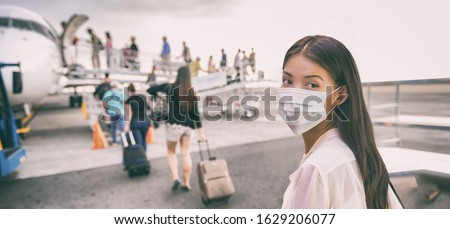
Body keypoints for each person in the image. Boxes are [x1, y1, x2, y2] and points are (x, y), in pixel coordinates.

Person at [278, 35, 403, 209]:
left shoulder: (317, 170)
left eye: (312, 85)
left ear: (340, 95)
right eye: (287, 81)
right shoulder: (357, 151)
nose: (293, 94)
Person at [147, 66, 206, 192]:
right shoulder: (191, 91)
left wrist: (160, 96)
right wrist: (201, 132)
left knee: (171, 152)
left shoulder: (169, 87)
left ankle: (175, 178)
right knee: (186, 154)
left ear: (178, 75)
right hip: (188, 127)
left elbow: (149, 89)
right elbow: (195, 114)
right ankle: (186, 183)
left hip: (173, 125)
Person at [124, 83, 151, 152]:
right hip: (145, 120)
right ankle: (145, 156)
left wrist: (127, 125)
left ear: (128, 91)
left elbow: (130, 113)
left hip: (135, 122)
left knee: (138, 141)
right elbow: (148, 108)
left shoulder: (129, 100)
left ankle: (141, 158)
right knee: (144, 139)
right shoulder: (143, 96)